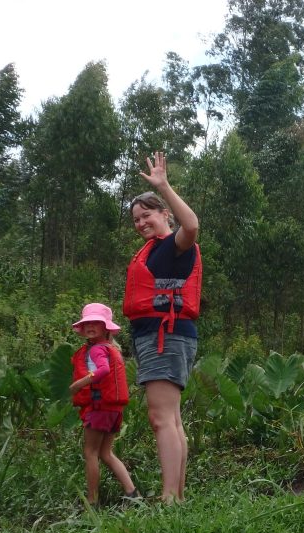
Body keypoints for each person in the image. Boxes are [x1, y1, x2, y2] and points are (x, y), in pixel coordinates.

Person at [123, 151, 201, 504]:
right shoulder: (156, 251)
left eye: (147, 215)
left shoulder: (174, 246)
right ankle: (177, 497)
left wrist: (164, 185)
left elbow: (192, 226)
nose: (141, 223)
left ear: (164, 214)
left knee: (160, 418)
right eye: (136, 220)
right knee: (170, 419)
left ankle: (169, 499)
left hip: (164, 337)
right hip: (163, 336)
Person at [69, 302, 138, 506]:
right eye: (87, 323)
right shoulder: (109, 348)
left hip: (100, 408)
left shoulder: (97, 350)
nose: (91, 326)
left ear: (105, 327)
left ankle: (92, 501)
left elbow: (103, 371)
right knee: (105, 453)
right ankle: (132, 493)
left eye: (96, 323)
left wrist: (79, 384)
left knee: (90, 453)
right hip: (113, 409)